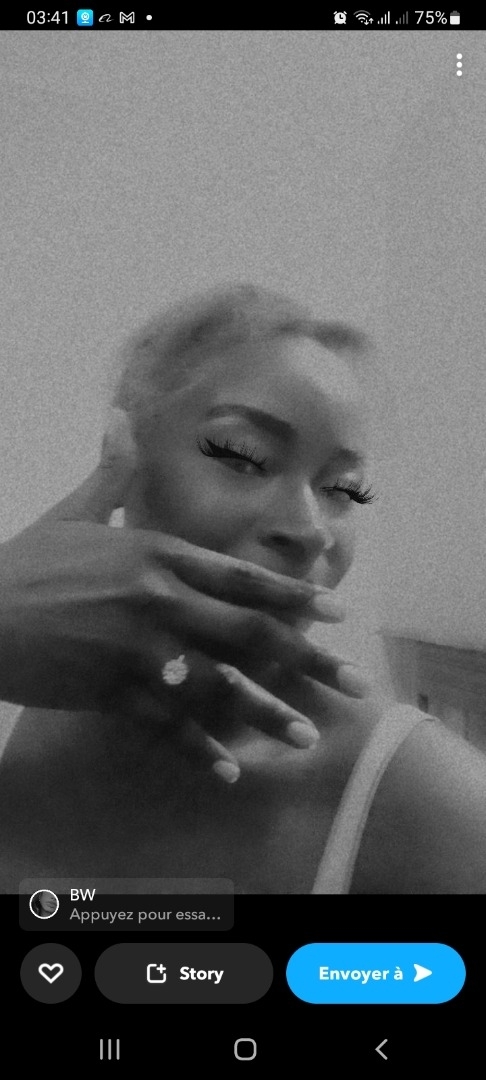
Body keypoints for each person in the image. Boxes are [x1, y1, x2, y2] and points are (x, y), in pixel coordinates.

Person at [0, 284, 485, 894]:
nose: (310, 530)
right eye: (242, 456)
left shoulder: (431, 802)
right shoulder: (24, 689)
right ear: (123, 454)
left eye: (344, 489)